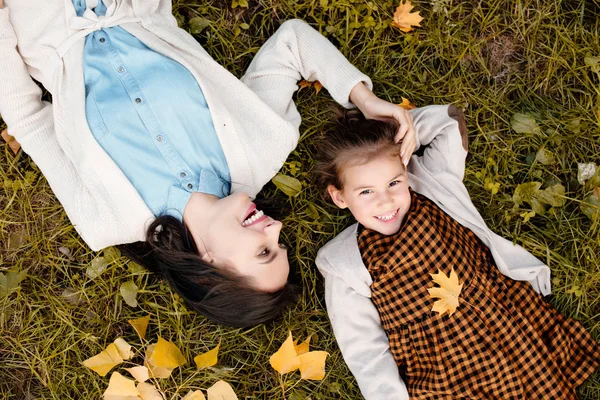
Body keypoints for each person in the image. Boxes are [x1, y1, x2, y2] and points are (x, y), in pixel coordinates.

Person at [0, 0, 417, 327]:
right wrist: (365, 100)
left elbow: (30, 121)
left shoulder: (103, 220)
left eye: (264, 251)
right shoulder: (262, 146)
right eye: (282, 242)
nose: (276, 227)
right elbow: (292, 43)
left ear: (210, 266)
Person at [313, 106, 600, 399]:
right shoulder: (344, 262)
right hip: (440, 368)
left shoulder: (432, 184)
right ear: (339, 196)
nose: (386, 202)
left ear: (405, 171)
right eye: (366, 192)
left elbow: (448, 123)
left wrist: (400, 133)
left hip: (503, 326)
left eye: (394, 183)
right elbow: (364, 348)